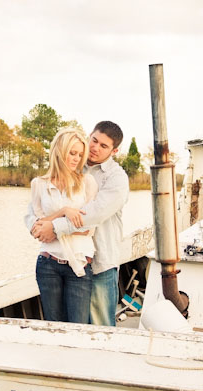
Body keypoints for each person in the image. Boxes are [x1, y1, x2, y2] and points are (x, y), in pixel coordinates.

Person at [31, 121, 128, 327]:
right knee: (64, 324)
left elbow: (94, 214)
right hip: (62, 257)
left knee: (101, 326)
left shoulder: (116, 178)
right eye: (94, 140)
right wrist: (37, 226)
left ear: (114, 151)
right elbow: (35, 208)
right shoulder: (70, 163)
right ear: (89, 135)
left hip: (100, 262)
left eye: (104, 146)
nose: (95, 147)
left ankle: (103, 359)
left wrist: (54, 228)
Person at [25, 128, 98, 324]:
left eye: (80, 155)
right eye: (72, 153)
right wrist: (64, 211)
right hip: (48, 264)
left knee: (78, 327)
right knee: (53, 326)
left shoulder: (87, 182)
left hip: (79, 264)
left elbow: (88, 227)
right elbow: (37, 227)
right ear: (59, 151)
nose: (76, 159)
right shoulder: (39, 184)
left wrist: (52, 226)